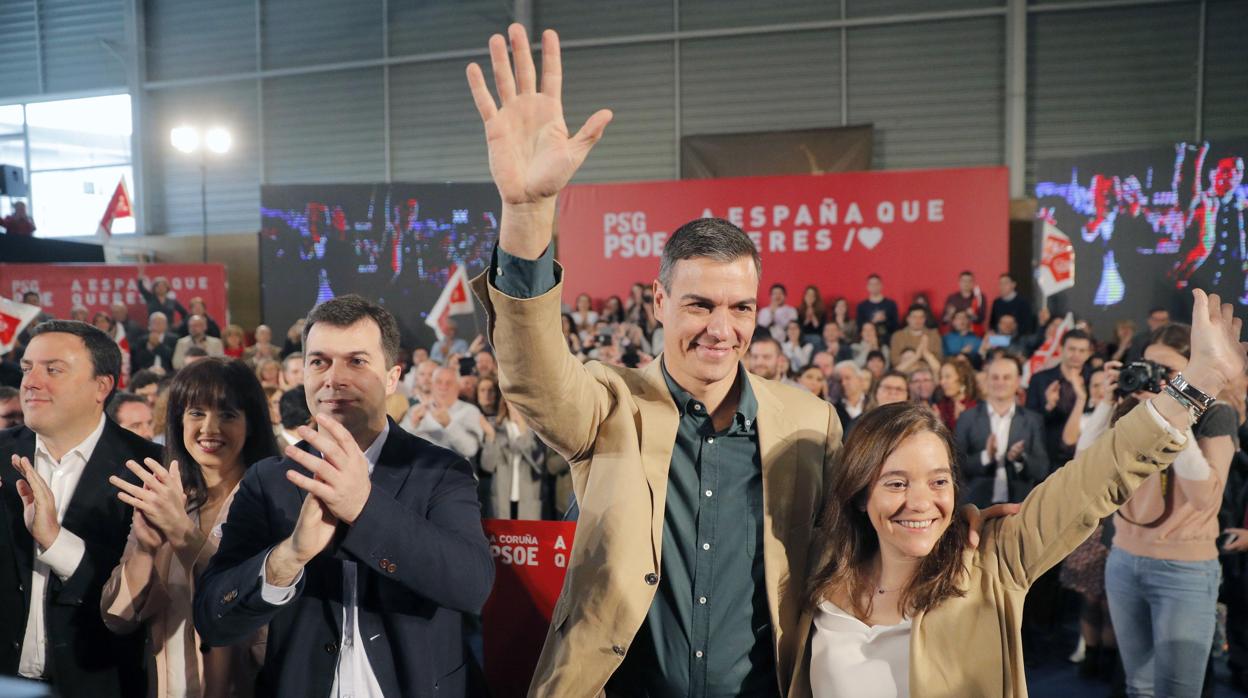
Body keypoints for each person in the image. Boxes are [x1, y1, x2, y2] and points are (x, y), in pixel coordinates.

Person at [464, 25, 842, 696]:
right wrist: (528, 213)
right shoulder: (611, 406)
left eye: (741, 308)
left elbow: (859, 547)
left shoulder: (813, 425)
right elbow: (531, 376)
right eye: (700, 305)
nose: (722, 330)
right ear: (659, 300)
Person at [801, 289, 1241, 697]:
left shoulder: (992, 560)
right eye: (896, 483)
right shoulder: (814, 570)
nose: (921, 501)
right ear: (860, 493)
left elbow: (1094, 478)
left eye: (939, 482)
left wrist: (1196, 383)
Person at [193, 295, 493, 696]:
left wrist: (364, 508)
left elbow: (470, 586)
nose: (334, 379)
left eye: (357, 361)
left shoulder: (439, 470)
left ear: (392, 377)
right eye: (319, 362)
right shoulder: (268, 480)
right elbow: (215, 617)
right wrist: (288, 558)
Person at [0, 320, 163, 696]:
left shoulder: (148, 469)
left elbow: (146, 599)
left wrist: (56, 542)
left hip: (101, 682)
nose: (31, 382)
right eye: (27, 368)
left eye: (52, 369)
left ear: (101, 386)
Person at [101, 358, 278, 697]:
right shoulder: (165, 498)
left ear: (251, 423)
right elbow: (117, 617)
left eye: (227, 414)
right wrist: (146, 549)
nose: (209, 428)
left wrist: (184, 534)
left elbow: (259, 614)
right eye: (196, 413)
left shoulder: (277, 503)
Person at [1104, 322, 1240, 697]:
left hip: (1185, 570)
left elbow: (1205, 498)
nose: (1156, 379)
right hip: (1124, 559)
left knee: (1178, 692)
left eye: (1168, 372)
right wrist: (1104, 402)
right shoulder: (1135, 409)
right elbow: (1086, 461)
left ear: (1192, 370)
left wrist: (1176, 414)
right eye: (1149, 367)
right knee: (1139, 687)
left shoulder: (1217, 414)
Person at [956, 353, 1049, 508]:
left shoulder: (1033, 420)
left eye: (1006, 377)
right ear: (987, 380)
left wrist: (1020, 459)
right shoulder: (967, 418)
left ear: (1018, 381)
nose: (1000, 382)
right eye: (995, 377)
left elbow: (1042, 469)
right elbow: (956, 466)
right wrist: (987, 456)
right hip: (975, 507)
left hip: (1019, 507)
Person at [1025, 328, 1094, 466]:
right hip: (1049, 455)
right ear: (1061, 348)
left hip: (1087, 455)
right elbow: (1029, 421)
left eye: (1081, 351)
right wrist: (1049, 406)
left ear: (1088, 353)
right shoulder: (1040, 379)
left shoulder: (1095, 379)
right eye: (1072, 349)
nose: (1076, 355)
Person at [480, 396, 548, 520]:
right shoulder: (496, 428)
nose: (516, 405)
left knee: (528, 536)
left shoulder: (536, 431)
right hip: (502, 497)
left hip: (528, 497)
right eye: (512, 401)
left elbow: (538, 464)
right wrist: (491, 438)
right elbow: (487, 466)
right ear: (506, 402)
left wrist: (523, 433)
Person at [406, 366, 485, 461]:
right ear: (432, 385)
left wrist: (449, 424)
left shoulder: (470, 410)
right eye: (439, 382)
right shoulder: (416, 411)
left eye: (449, 383)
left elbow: (470, 450)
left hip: (456, 472)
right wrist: (413, 425)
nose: (443, 386)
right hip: (422, 471)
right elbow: (402, 447)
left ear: (458, 386)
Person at [935, 356, 980, 432]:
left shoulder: (975, 408)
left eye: (947, 377)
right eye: (941, 377)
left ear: (962, 379)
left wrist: (961, 421)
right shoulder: (942, 405)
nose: (942, 382)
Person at [834, 362, 869, 436]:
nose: (843, 383)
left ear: (860, 379)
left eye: (847, 378)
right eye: (840, 380)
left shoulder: (874, 404)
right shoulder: (833, 409)